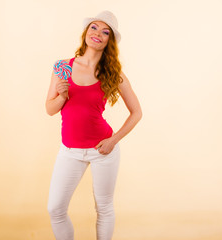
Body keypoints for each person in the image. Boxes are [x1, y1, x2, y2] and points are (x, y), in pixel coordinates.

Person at [45, 10, 142, 240]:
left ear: (109, 41)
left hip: (103, 150)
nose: (98, 33)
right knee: (55, 208)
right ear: (86, 32)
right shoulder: (63, 67)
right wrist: (61, 96)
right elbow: (49, 109)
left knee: (104, 207)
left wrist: (113, 140)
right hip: (69, 151)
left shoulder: (113, 73)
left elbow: (137, 112)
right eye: (94, 28)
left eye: (105, 31)